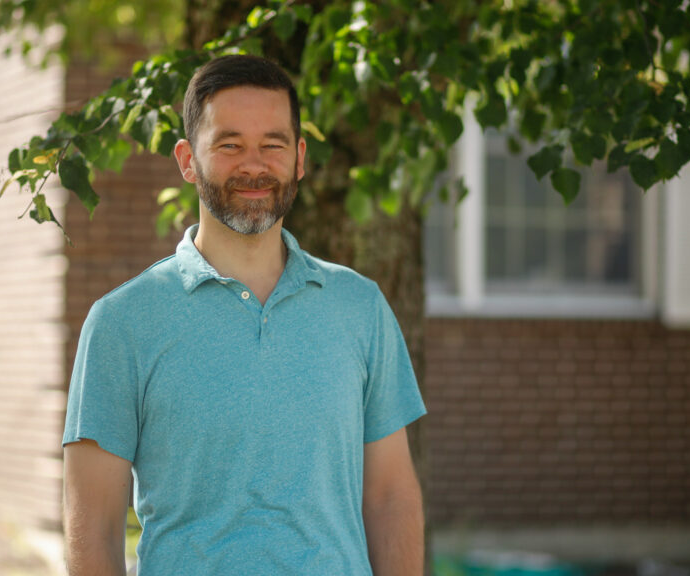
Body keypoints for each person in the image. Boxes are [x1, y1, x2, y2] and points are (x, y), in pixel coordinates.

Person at [62, 54, 427, 576]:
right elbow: (90, 528)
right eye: (229, 145)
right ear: (188, 160)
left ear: (299, 157)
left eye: (272, 145)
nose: (253, 165)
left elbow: (392, 498)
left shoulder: (360, 307)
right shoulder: (123, 323)